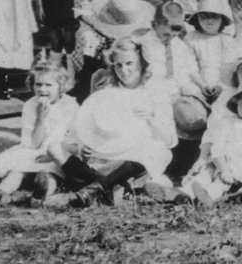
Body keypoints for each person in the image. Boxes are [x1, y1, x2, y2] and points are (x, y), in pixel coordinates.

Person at [65, 37, 178, 207]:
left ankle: (97, 188)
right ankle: (116, 185)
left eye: (129, 63)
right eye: (118, 65)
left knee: (157, 152)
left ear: (142, 62)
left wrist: (151, 119)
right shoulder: (108, 91)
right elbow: (84, 125)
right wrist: (84, 145)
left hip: (137, 154)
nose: (124, 70)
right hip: (108, 152)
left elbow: (170, 141)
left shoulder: (156, 91)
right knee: (65, 153)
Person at [0, 60, 79, 205]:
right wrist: (40, 119)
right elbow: (32, 145)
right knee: (17, 169)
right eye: (38, 84)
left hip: (60, 151)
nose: (42, 89)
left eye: (48, 85)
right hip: (34, 149)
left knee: (48, 175)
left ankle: (39, 196)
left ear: (61, 87)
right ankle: (0, 193)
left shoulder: (70, 105)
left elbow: (76, 140)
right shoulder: (30, 105)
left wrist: (53, 154)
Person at [182, 76, 242, 204]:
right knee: (211, 176)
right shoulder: (227, 123)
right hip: (226, 165)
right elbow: (217, 148)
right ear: (237, 101)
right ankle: (190, 194)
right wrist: (224, 169)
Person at [185, 0, 235, 92]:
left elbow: (228, 68)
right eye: (203, 16)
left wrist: (219, 86)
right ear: (197, 18)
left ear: (222, 19)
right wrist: (202, 85)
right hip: (196, 84)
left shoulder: (227, 41)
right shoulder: (191, 39)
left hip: (223, 84)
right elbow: (189, 66)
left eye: (214, 16)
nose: (209, 20)